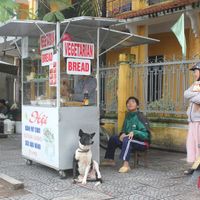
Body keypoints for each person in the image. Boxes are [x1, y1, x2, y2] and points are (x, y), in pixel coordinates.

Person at [101, 96, 150, 173]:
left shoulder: (141, 116)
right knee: (114, 138)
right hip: (129, 140)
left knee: (128, 140)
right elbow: (124, 129)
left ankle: (126, 165)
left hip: (142, 142)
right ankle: (109, 159)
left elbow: (146, 134)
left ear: (137, 106)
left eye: (133, 102)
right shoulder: (128, 116)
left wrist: (135, 132)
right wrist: (122, 134)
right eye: (128, 102)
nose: (130, 103)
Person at [184, 62, 200, 175]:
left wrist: (193, 96)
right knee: (191, 143)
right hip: (192, 120)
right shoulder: (195, 84)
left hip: (199, 120)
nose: (194, 73)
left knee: (199, 143)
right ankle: (195, 165)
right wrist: (195, 96)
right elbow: (186, 94)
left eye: (196, 71)